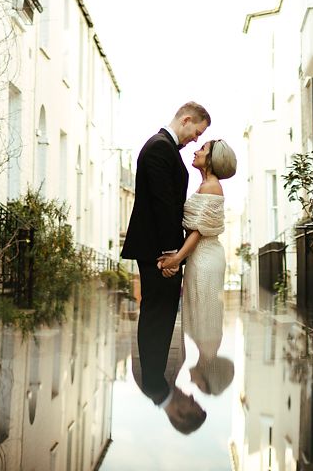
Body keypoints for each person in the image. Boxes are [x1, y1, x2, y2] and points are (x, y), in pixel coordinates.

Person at [119, 101, 210, 408]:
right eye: (196, 132)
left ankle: (155, 377)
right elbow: (162, 206)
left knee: (160, 314)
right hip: (158, 249)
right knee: (157, 314)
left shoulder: (163, 147)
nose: (195, 139)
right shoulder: (160, 148)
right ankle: (154, 382)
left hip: (159, 247)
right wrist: (171, 255)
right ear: (186, 119)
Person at [158, 139, 237, 396]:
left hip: (205, 260)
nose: (196, 150)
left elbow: (198, 232)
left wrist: (176, 258)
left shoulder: (212, 187)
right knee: (200, 314)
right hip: (199, 258)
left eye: (202, 149)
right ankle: (205, 367)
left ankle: (207, 370)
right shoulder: (205, 185)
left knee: (206, 316)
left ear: (212, 159)